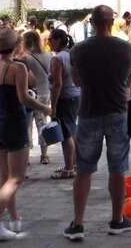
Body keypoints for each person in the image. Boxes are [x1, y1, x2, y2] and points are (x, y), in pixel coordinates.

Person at [64, 5, 131, 241]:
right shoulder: (125, 48)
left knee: (83, 169)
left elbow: (76, 80)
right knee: (118, 168)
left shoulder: (79, 49)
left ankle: (77, 223)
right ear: (111, 22)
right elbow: (129, 80)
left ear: (92, 23)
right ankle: (117, 220)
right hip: (118, 111)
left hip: (88, 113)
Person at [0, 29, 51, 240]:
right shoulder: (17, 67)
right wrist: (45, 108)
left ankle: (13, 219)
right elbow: (24, 98)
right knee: (17, 177)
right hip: (13, 125)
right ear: (17, 46)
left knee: (5, 176)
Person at [49, 28, 81, 180]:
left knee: (66, 134)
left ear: (57, 40)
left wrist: (53, 107)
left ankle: (69, 168)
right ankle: (73, 164)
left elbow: (57, 84)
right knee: (71, 130)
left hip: (65, 98)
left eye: (50, 39)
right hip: (76, 95)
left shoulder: (57, 58)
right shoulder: (71, 54)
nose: (48, 42)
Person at [17, 31, 52, 165]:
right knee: (42, 124)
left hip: (32, 94)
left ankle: (27, 157)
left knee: (28, 126)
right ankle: (44, 155)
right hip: (46, 93)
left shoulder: (26, 58)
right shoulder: (48, 55)